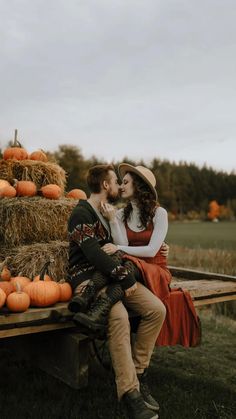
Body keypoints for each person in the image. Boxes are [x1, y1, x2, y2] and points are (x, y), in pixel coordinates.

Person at [67, 164, 166, 419]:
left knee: (156, 309)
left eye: (124, 181)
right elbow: (94, 254)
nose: (120, 185)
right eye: (116, 181)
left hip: (114, 279)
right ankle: (130, 394)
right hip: (90, 279)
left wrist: (161, 247)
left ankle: (137, 372)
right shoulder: (81, 213)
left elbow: (122, 246)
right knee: (119, 317)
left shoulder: (108, 213)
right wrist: (123, 276)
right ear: (106, 185)